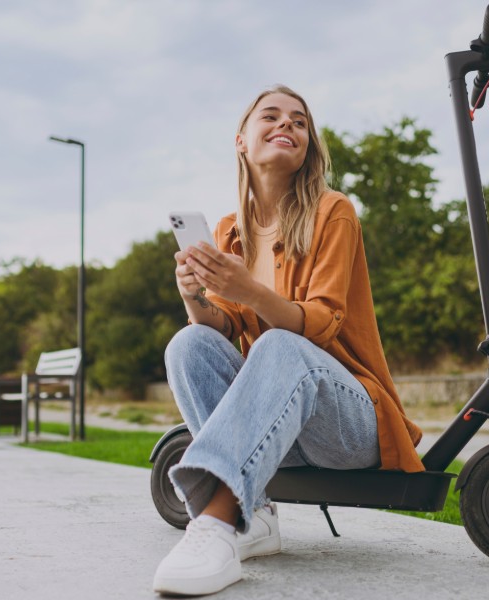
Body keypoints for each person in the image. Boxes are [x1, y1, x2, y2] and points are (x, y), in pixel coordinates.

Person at [153, 84, 425, 596]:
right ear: (241, 141)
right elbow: (225, 327)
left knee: (278, 345)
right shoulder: (231, 230)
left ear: (308, 145)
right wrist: (194, 296)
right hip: (278, 423)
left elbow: (321, 323)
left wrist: (249, 290)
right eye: (272, 117)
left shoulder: (333, 211)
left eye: (299, 122)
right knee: (187, 344)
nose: (287, 126)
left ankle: (215, 524)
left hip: (347, 423)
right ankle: (253, 517)